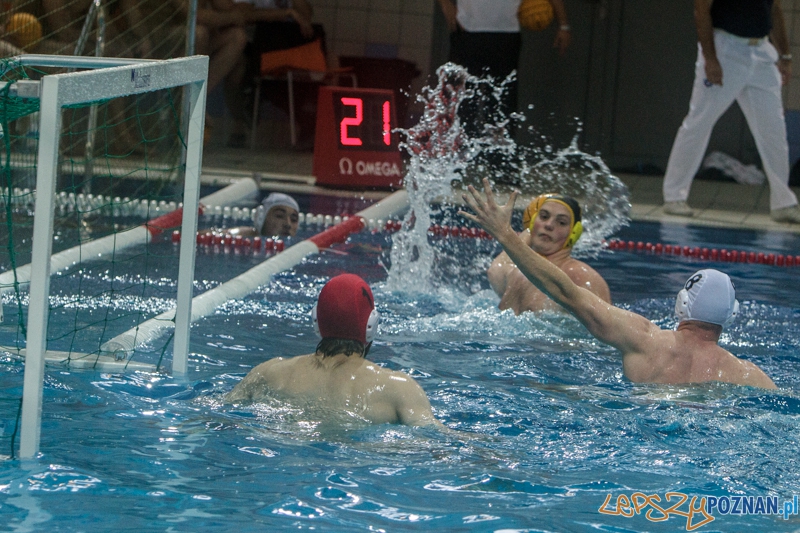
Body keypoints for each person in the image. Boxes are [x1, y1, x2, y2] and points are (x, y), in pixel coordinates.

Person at [462, 178, 777, 389]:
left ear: (681, 304)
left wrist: (505, 233)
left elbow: (565, 292)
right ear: (731, 316)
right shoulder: (747, 374)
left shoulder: (642, 339)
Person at [225, 274, 443, 426]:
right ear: (371, 325)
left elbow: (216, 415)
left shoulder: (268, 372)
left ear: (316, 320)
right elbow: (436, 443)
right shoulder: (398, 389)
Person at [662, 0, 800, 224]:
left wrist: (785, 54)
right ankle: (674, 195)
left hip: (762, 52)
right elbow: (701, 11)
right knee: (699, 123)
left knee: (773, 130)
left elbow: (774, 10)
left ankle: (783, 202)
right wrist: (711, 58)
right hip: (726, 49)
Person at [436, 0, 571, 125]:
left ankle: (499, 148)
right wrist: (445, 4)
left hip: (506, 35)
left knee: (502, 105)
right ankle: (459, 146)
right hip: (467, 30)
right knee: (461, 102)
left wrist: (563, 25)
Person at [487, 193, 611, 314]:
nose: (549, 225)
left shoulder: (581, 276)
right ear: (533, 221)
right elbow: (494, 271)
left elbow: (607, 328)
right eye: (544, 217)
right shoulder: (518, 272)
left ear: (574, 233)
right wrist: (511, 232)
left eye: (561, 222)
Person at [213, 192, 300, 238]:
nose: (288, 224)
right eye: (279, 216)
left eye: (293, 219)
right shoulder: (245, 237)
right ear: (261, 218)